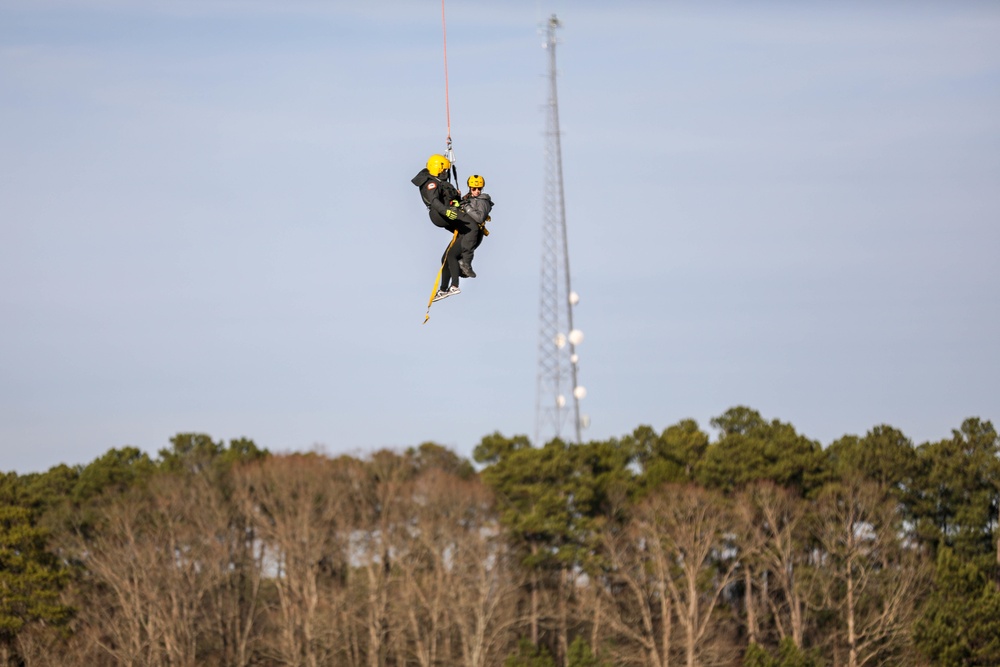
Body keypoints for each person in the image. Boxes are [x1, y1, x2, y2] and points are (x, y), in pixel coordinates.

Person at [411, 154, 468, 301]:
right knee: (465, 235)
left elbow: (446, 196)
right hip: (440, 215)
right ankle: (456, 280)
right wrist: (447, 210)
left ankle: (444, 288)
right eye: (444, 171)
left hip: (442, 215)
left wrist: (456, 198)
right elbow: (435, 201)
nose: (446, 174)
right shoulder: (432, 184)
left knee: (446, 258)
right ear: (438, 170)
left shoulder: (435, 181)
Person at [457, 174, 494, 278]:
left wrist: (466, 207)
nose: (477, 191)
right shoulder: (467, 199)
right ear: (470, 188)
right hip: (466, 230)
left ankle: (465, 267)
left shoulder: (483, 201)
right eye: (474, 189)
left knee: (465, 253)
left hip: (476, 232)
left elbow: (479, 218)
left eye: (479, 189)